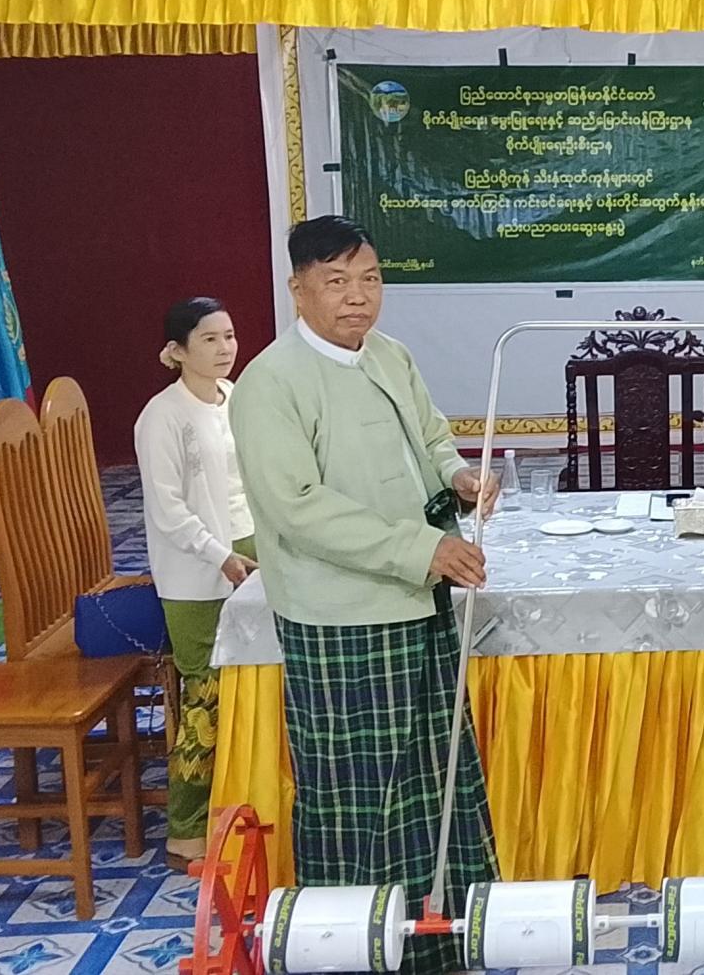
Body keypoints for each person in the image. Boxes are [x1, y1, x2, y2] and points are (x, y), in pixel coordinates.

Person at [230, 215, 500, 975]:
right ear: (298, 290)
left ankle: (437, 946)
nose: (358, 297)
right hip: (343, 615)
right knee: (355, 793)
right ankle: (349, 950)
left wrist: (458, 476)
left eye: (371, 279)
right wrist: (423, 548)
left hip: (420, 600)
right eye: (337, 282)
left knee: (432, 780)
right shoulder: (270, 383)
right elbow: (297, 508)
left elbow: (432, 437)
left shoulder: (389, 355)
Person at [134, 297, 257, 869]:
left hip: (250, 549)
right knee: (206, 696)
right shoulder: (162, 416)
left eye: (228, 335)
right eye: (209, 339)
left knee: (258, 684)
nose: (225, 348)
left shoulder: (235, 397)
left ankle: (246, 807)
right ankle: (185, 830)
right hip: (196, 573)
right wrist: (220, 555)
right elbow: (168, 511)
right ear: (176, 351)